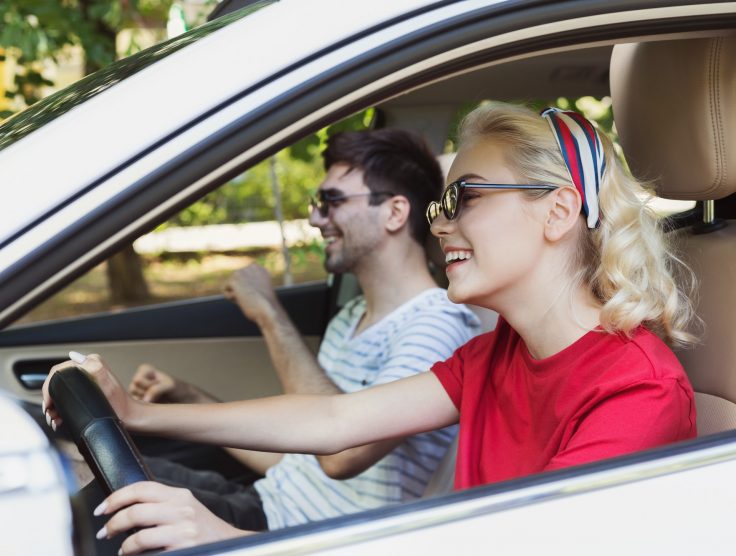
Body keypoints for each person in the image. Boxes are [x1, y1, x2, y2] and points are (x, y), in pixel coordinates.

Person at [44, 102, 698, 555]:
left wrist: (236, 545)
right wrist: (136, 415)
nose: (439, 225)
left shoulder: (636, 391)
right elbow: (334, 422)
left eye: (462, 198)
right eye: (440, 205)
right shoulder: (494, 355)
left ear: (558, 212)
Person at [63, 128, 483, 544]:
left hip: (296, 534)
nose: (316, 218)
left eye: (331, 201)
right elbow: (299, 452)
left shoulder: (437, 322)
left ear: (394, 212)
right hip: (265, 501)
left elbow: (340, 450)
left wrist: (269, 313)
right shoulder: (352, 315)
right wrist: (192, 398)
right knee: (75, 469)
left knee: (85, 509)